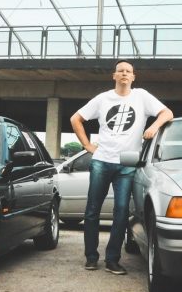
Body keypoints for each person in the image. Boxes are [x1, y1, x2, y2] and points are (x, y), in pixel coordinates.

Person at [70, 60, 174, 275]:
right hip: (101, 161)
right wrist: (87, 145)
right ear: (114, 76)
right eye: (121, 71)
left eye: (128, 71)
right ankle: (91, 257)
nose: (124, 74)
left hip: (127, 164)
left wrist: (154, 126)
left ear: (133, 77)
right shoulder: (103, 98)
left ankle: (112, 260)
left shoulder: (142, 96)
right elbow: (75, 119)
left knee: (121, 211)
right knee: (92, 211)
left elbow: (167, 113)